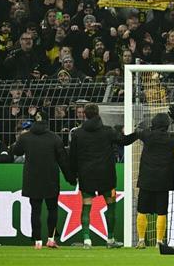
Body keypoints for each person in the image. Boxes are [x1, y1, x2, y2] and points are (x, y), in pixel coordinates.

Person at [4, 110, 70, 249]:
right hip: (50, 178)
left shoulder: (26, 137)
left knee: (35, 210)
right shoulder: (54, 138)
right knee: (52, 209)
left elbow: (16, 151)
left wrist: (18, 142)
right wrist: (70, 177)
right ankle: (51, 240)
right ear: (47, 122)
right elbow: (62, 160)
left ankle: (38, 241)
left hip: (32, 178)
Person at [124, 105, 174, 248]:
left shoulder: (148, 135)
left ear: (153, 124)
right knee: (161, 211)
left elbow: (139, 130)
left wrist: (145, 126)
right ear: (167, 125)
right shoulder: (171, 138)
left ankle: (141, 239)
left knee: (142, 210)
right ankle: (159, 241)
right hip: (164, 180)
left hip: (147, 179)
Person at [67, 103, 124, 248]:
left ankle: (87, 240)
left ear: (84, 114)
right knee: (111, 206)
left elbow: (72, 157)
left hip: (87, 175)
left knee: (86, 207)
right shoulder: (108, 131)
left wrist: (72, 176)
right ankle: (110, 239)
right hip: (107, 176)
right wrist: (138, 134)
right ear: (98, 113)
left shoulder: (77, 133)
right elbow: (124, 141)